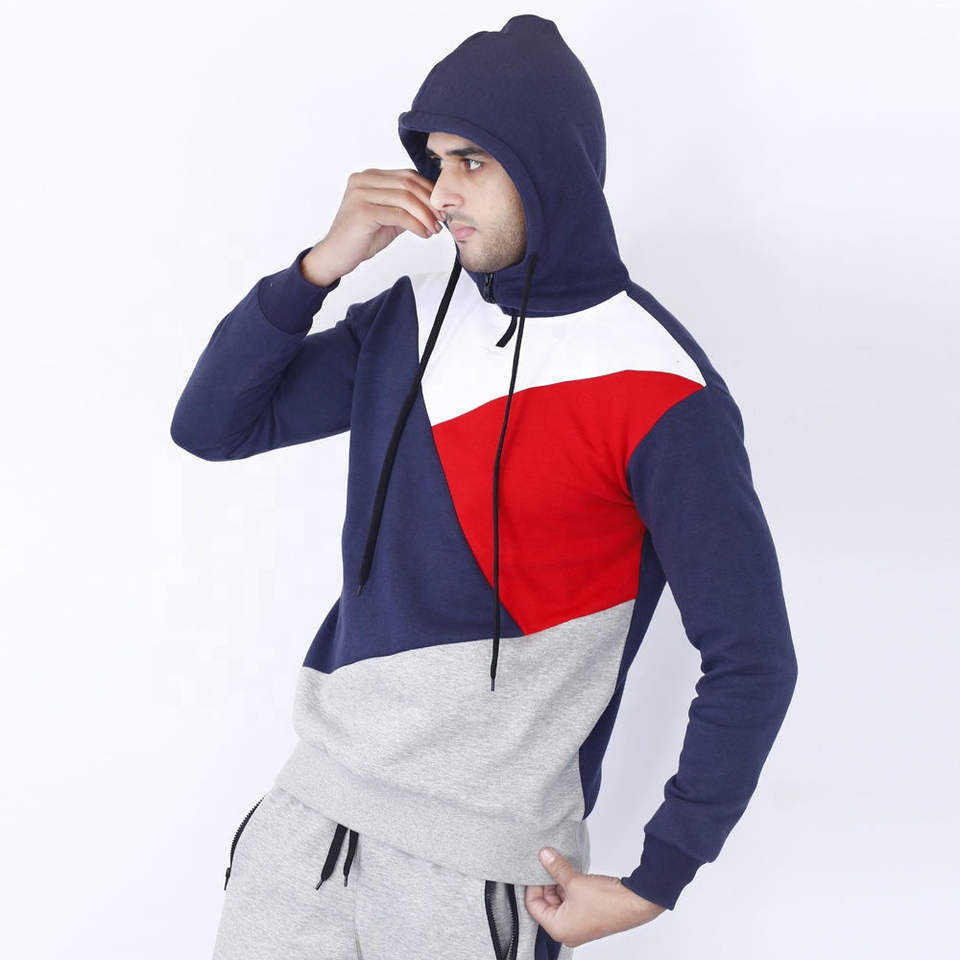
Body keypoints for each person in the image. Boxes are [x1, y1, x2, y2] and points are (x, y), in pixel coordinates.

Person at [170, 14, 798, 959]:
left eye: (473, 161)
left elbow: (752, 656)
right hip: (305, 830)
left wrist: (658, 878)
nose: (442, 191)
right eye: (434, 161)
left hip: (477, 880)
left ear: (548, 168)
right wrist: (319, 267)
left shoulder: (664, 390)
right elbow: (211, 426)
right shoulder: (409, 318)